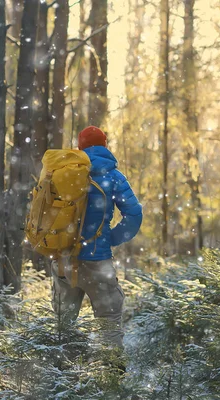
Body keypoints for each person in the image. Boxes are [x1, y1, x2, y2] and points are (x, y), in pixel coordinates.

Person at [51, 126, 143, 350]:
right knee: (109, 323)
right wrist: (110, 238)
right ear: (105, 145)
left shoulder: (63, 172)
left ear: (80, 147)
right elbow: (134, 214)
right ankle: (111, 376)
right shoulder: (113, 176)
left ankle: (62, 376)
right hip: (98, 260)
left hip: (65, 258)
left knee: (64, 326)